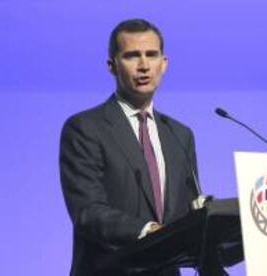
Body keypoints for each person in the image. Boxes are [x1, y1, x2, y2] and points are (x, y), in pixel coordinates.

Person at [59, 18, 199, 276]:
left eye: (152, 55)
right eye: (132, 56)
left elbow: (186, 212)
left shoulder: (180, 135)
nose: (144, 65)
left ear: (164, 64)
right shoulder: (85, 128)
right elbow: (88, 212)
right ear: (112, 66)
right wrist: (148, 231)